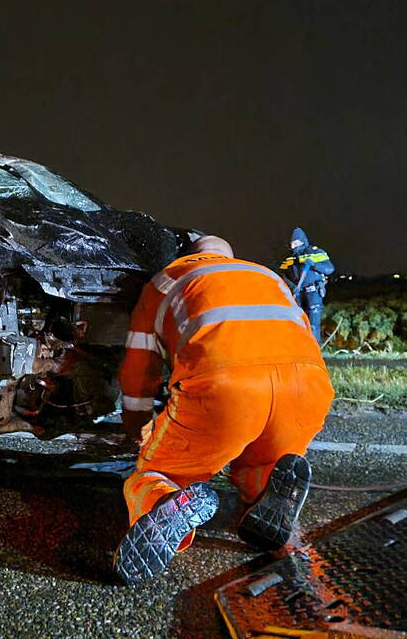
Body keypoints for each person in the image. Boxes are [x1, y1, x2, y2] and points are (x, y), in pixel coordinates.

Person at [114, 235, 334, 585]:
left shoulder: (166, 279)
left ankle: (169, 498)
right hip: (309, 387)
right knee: (262, 461)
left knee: (155, 472)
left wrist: (137, 424)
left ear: (189, 256)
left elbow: (140, 369)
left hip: (226, 390)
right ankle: (265, 487)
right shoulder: (265, 275)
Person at [279, 227, 335, 343]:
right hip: (298, 293)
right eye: (292, 243)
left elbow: (329, 269)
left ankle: (315, 350)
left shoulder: (315, 253)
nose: (294, 245)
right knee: (299, 322)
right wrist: (291, 286)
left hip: (313, 292)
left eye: (296, 242)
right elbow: (282, 275)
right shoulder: (289, 258)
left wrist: (314, 264)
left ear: (303, 241)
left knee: (313, 324)